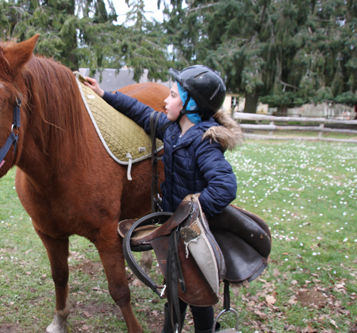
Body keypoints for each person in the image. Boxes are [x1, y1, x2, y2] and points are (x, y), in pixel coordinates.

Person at [83, 65, 243, 333]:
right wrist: (104, 94)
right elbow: (139, 111)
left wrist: (189, 214)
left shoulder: (205, 142)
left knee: (198, 290)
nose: (165, 101)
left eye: (172, 95)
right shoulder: (170, 129)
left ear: (191, 104)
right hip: (174, 229)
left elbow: (225, 186)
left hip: (195, 232)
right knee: (176, 287)